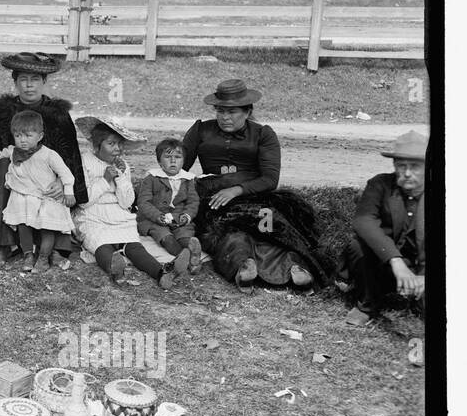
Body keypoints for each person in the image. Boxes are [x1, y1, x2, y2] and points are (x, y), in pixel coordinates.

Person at [181, 78, 327, 288]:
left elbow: (270, 179)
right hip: (213, 196)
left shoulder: (263, 134)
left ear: (248, 111)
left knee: (270, 227)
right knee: (225, 230)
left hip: (254, 195)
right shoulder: (200, 130)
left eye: (232, 112)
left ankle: (292, 266)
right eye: (220, 111)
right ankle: (244, 264)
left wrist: (236, 190)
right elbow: (178, 169)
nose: (224, 117)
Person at [0, 51, 86, 269]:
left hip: (45, 181)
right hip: (13, 181)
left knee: (54, 183)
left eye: (34, 80)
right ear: (15, 82)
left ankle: (53, 249)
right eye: (23, 79)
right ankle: (1, 245)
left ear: (44, 82)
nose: (29, 86)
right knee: (5, 165)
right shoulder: (5, 112)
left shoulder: (58, 114)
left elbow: (70, 156)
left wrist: (63, 183)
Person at [76, 117, 187, 289]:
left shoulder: (123, 165)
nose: (117, 149)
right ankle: (115, 269)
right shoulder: (85, 162)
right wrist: (105, 181)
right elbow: (84, 202)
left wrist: (120, 178)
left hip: (118, 213)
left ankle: (161, 273)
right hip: (92, 214)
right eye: (111, 144)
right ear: (98, 144)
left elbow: (126, 202)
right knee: (101, 244)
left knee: (134, 246)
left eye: (120, 144)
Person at [0, 110, 76, 273]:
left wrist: (68, 192)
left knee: (47, 228)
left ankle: (43, 258)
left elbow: (66, 173)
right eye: (18, 136)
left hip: (45, 197)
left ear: (40, 136)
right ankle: (28, 255)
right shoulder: (13, 151)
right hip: (23, 197)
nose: (23, 140)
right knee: (23, 225)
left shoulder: (49, 155)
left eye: (28, 136)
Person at [342, 130, 427, 325]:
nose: (407, 173)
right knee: (357, 246)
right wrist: (396, 262)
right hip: (384, 264)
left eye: (414, 167)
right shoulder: (380, 184)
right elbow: (363, 221)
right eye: (401, 166)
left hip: (420, 265)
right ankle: (366, 304)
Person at [136, 137, 202, 274]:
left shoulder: (188, 179)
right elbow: (144, 202)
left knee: (184, 234)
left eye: (178, 157)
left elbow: (193, 201)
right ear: (159, 162)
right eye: (168, 157)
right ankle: (185, 260)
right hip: (154, 219)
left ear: (183, 161)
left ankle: (192, 252)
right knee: (165, 237)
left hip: (178, 217)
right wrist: (157, 216)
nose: (173, 161)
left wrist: (187, 216)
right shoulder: (151, 178)